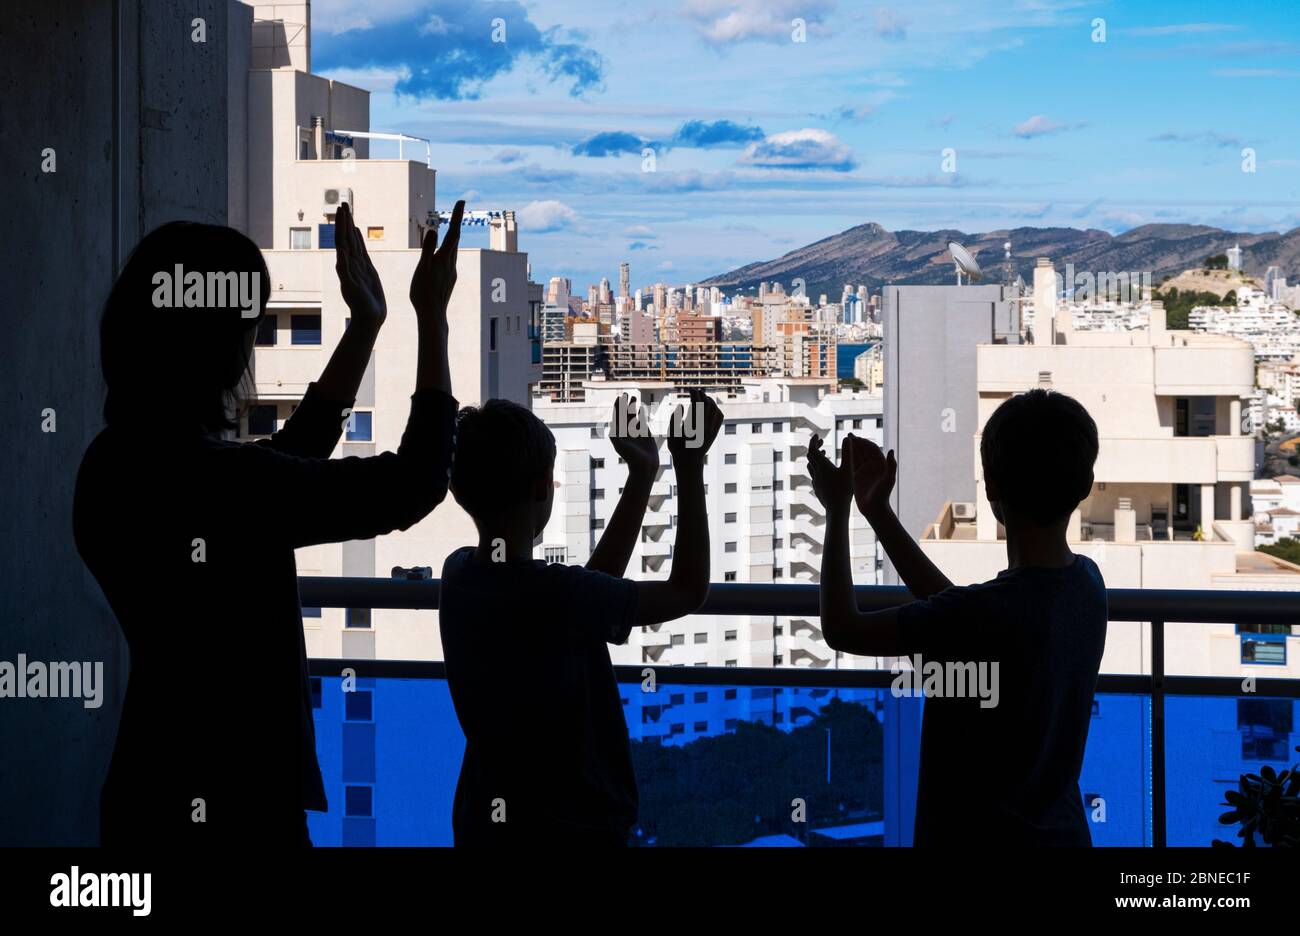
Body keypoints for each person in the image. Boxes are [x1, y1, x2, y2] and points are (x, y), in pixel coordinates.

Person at [74, 200, 466, 846]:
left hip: (149, 784)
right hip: (243, 803)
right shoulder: (218, 484)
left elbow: (276, 472)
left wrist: (364, 329)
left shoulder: (113, 464)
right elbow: (413, 483)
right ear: (214, 345)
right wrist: (432, 319)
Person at [807, 388, 1106, 846]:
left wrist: (838, 510)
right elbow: (960, 618)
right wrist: (878, 514)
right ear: (1084, 486)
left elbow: (842, 627)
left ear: (991, 489)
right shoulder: (1087, 586)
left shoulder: (983, 616)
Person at [438, 389, 723, 846]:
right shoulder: (557, 593)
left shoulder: (458, 577)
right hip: (575, 822)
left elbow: (582, 608)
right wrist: (688, 467)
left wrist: (642, 476)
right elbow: (687, 590)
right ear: (540, 489)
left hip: (484, 814)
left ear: (458, 490)